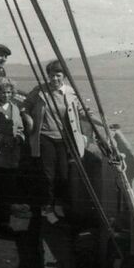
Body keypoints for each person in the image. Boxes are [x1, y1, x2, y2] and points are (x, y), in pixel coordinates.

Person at [23, 60, 101, 224]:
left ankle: (59, 206)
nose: (54, 79)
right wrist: (28, 119)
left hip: (65, 139)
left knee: (64, 176)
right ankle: (48, 209)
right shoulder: (39, 91)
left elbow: (82, 112)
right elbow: (25, 106)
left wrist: (101, 123)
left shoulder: (71, 92)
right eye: (51, 75)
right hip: (45, 137)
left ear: (63, 76)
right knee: (48, 175)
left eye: (58, 75)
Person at [0, 78, 29, 238]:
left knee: (6, 193)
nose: (6, 95)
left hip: (10, 158)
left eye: (9, 92)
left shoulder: (15, 108)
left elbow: (20, 129)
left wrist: (19, 139)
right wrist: (1, 140)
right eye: (3, 92)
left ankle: (4, 224)